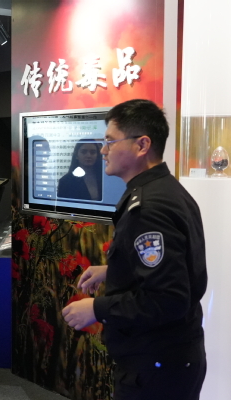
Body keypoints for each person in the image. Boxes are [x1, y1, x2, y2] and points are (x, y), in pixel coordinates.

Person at [62, 99, 207, 400]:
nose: (103, 151)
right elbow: (170, 268)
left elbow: (168, 299)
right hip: (167, 359)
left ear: (142, 145)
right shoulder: (164, 190)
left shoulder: (150, 207)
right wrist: (113, 270)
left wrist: (96, 308)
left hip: (156, 366)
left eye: (110, 141)